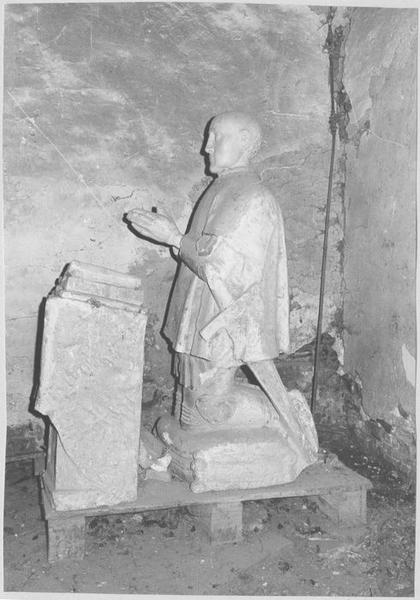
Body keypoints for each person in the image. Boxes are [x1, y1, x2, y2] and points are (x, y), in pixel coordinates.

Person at [126, 112, 306, 439]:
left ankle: (281, 414)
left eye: (215, 137)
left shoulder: (254, 197)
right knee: (186, 412)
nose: (206, 147)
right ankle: (261, 412)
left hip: (222, 321)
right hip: (197, 315)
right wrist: (176, 237)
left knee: (204, 415)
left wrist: (174, 238)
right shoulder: (222, 188)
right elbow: (203, 249)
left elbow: (227, 268)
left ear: (245, 144)